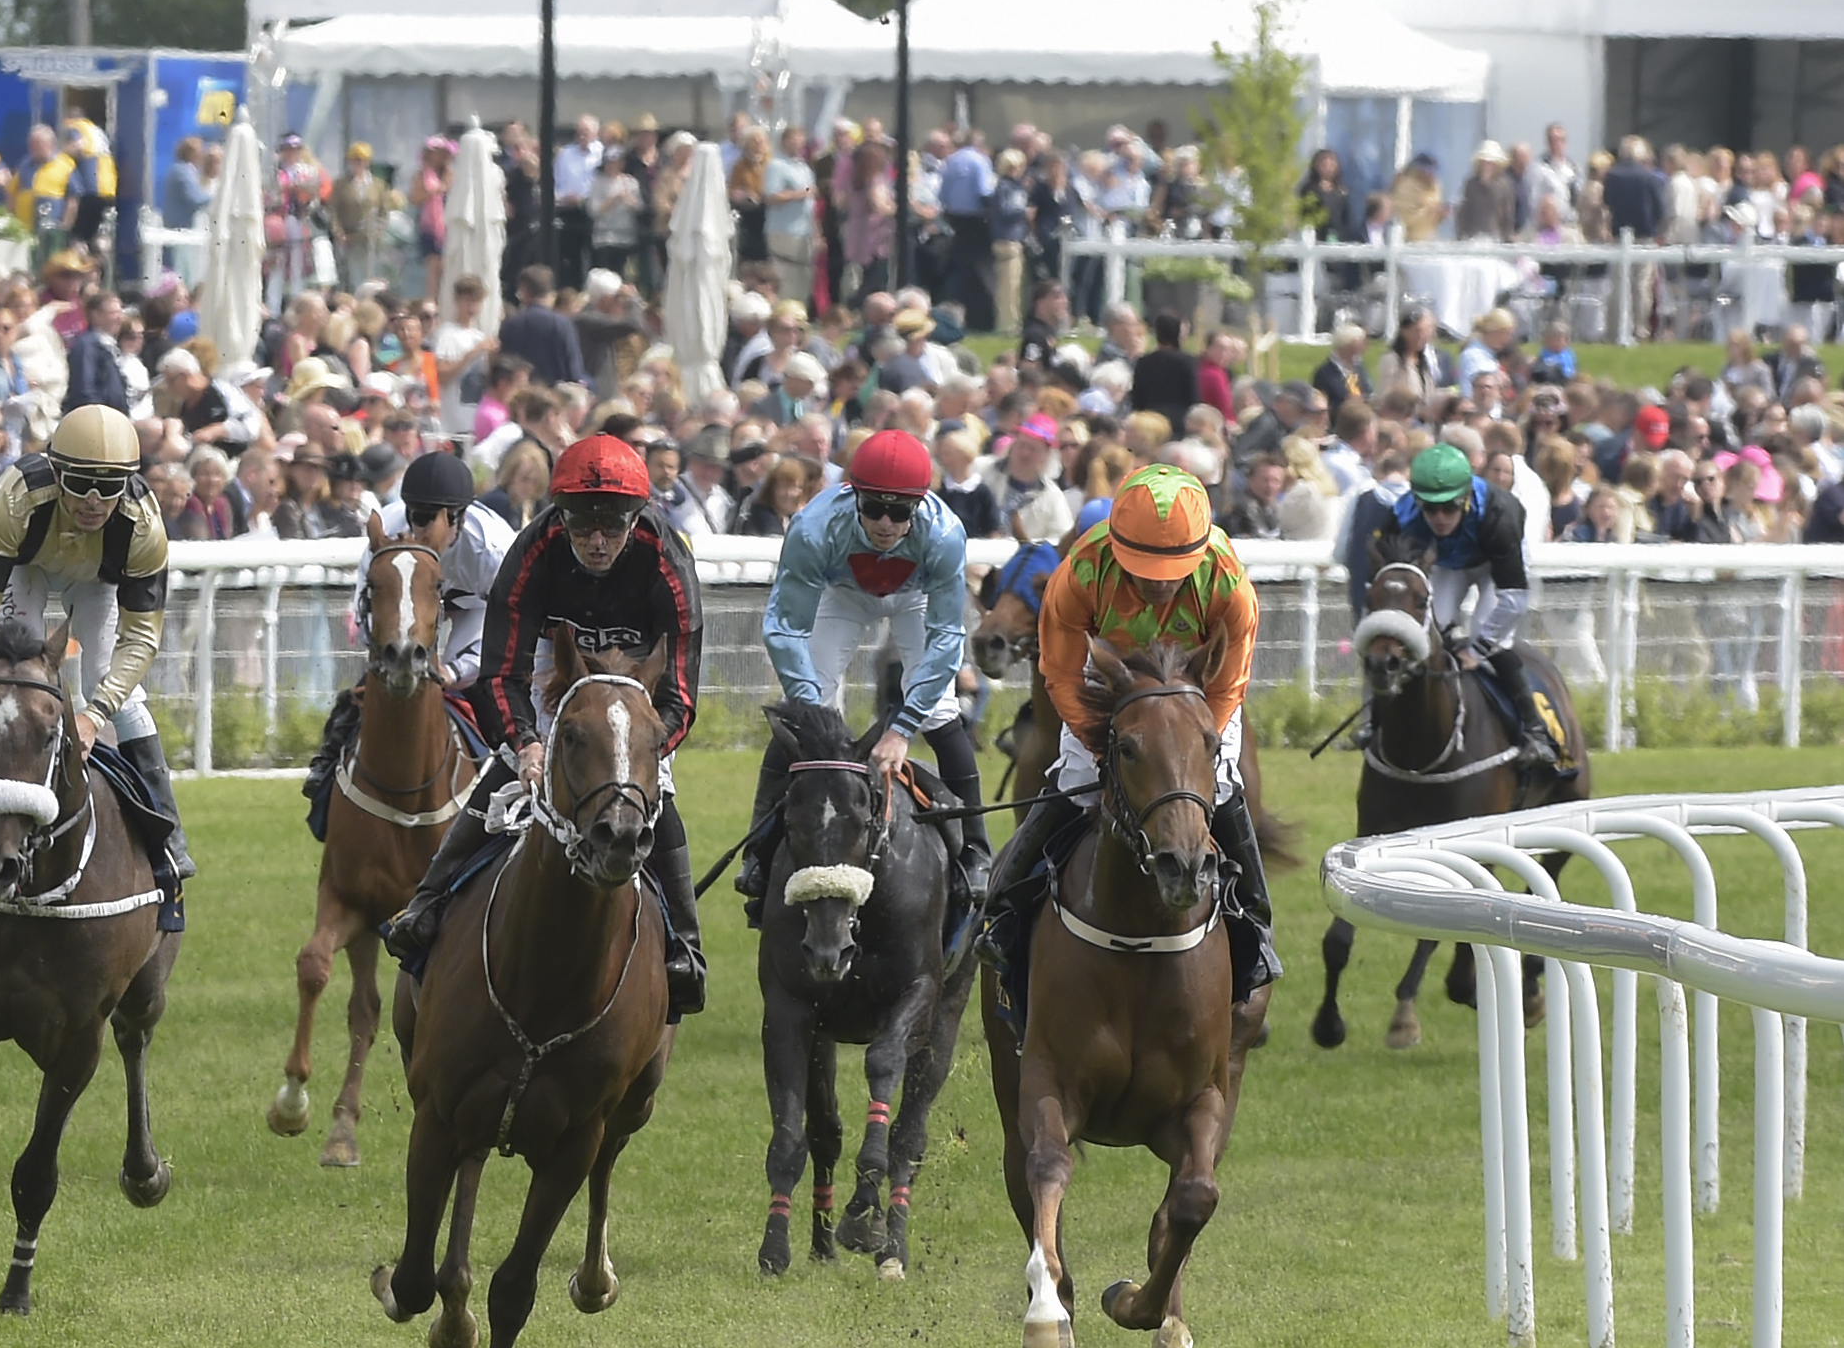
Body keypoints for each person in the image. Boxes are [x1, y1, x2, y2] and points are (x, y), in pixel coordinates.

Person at [382, 431, 709, 1019]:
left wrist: (645, 749)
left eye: (613, 525)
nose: (599, 541)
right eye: (583, 525)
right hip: (553, 666)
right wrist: (526, 743)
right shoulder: (534, 552)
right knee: (504, 778)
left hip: (639, 684)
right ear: (561, 516)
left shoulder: (668, 564)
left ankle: (685, 945)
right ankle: (425, 907)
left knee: (653, 794)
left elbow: (680, 694)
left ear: (638, 516)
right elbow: (499, 672)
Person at [975, 465, 1276, 1023]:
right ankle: (1004, 913)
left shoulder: (1228, 582)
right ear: (1117, 546)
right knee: (1072, 783)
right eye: (1146, 570)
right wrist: (1101, 749)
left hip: (1198, 695)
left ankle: (1256, 926)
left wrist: (1185, 747)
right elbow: (1061, 676)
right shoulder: (1080, 574)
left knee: (1225, 785)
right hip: (1104, 687)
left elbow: (1230, 683)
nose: (1160, 583)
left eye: (1171, 571)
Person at [0, 399, 192, 929]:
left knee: (113, 682)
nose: (95, 500)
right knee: (0, 696)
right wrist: (0, 674)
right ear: (57, 473)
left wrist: (92, 715)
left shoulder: (142, 525)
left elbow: (142, 636)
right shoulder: (16, 499)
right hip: (26, 570)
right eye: (81, 483)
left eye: (111, 486)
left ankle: (168, 839)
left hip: (98, 582)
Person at [753, 425, 984, 911]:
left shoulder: (943, 536)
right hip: (843, 594)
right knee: (805, 710)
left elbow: (946, 640)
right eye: (873, 507)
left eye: (899, 511)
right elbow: (784, 628)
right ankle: (760, 848)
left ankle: (977, 853)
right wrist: (810, 708)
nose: (885, 522)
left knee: (940, 713)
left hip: (916, 597)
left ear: (919, 506)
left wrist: (901, 729)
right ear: (851, 496)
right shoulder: (813, 529)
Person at [1343, 435, 1575, 793]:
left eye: (1449, 507)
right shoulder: (1402, 516)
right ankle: (1376, 721)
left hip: (1495, 565)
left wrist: (1477, 649)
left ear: (1467, 496)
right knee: (1420, 636)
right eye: (1430, 508)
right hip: (1450, 563)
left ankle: (1535, 731)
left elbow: (1513, 599)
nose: (1439, 517)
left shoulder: (1499, 516)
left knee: (1492, 637)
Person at [302, 444, 506, 840]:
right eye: (416, 515)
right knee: (374, 682)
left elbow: (508, 633)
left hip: (480, 613)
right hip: (416, 607)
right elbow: (366, 620)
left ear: (458, 518)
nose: (419, 526)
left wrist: (455, 670)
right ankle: (328, 766)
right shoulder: (387, 529)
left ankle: (508, 772)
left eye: (431, 519)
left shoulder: (494, 552)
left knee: (486, 691)